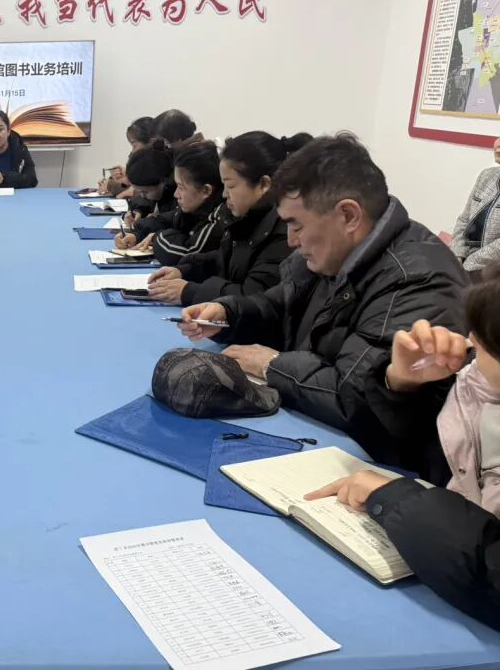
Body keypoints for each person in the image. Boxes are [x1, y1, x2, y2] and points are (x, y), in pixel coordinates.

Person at [177, 133, 469, 468]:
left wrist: (272, 365)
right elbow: (278, 306)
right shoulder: (335, 251)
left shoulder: (416, 280)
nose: (290, 240)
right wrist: (228, 313)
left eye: (297, 226)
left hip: (379, 466)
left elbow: (358, 396)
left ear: (348, 216)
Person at [305, 273, 500, 629]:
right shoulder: (479, 385)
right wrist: (402, 385)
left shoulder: (415, 274)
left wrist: (395, 499)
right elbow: (432, 460)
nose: (471, 341)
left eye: (488, 341)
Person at [148, 132, 310, 305]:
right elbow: (225, 262)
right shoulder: (245, 218)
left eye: (230, 186)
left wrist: (190, 292)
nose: (224, 194)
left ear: (263, 184)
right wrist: (185, 271)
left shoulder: (284, 231)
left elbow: (254, 295)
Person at [117, 141, 225, 267]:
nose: (176, 194)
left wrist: (156, 238)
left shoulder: (218, 217)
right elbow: (164, 220)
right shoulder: (193, 207)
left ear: (205, 190)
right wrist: (137, 235)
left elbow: (189, 253)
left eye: (181, 187)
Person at [451, 136, 500, 274]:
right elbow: (463, 220)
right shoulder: (486, 175)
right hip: (464, 259)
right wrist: (457, 255)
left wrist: (468, 265)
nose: (497, 144)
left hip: (491, 267)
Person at [115, 140, 177, 241]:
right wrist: (137, 211)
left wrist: (144, 225)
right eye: (139, 191)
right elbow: (143, 200)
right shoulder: (155, 190)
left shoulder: (176, 198)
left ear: (163, 182)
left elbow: (167, 223)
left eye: (145, 192)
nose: (142, 195)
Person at [98, 116, 154, 197]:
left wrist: (110, 185)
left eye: (134, 145)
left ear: (150, 143)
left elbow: (140, 192)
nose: (132, 151)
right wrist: (123, 179)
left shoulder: (156, 165)